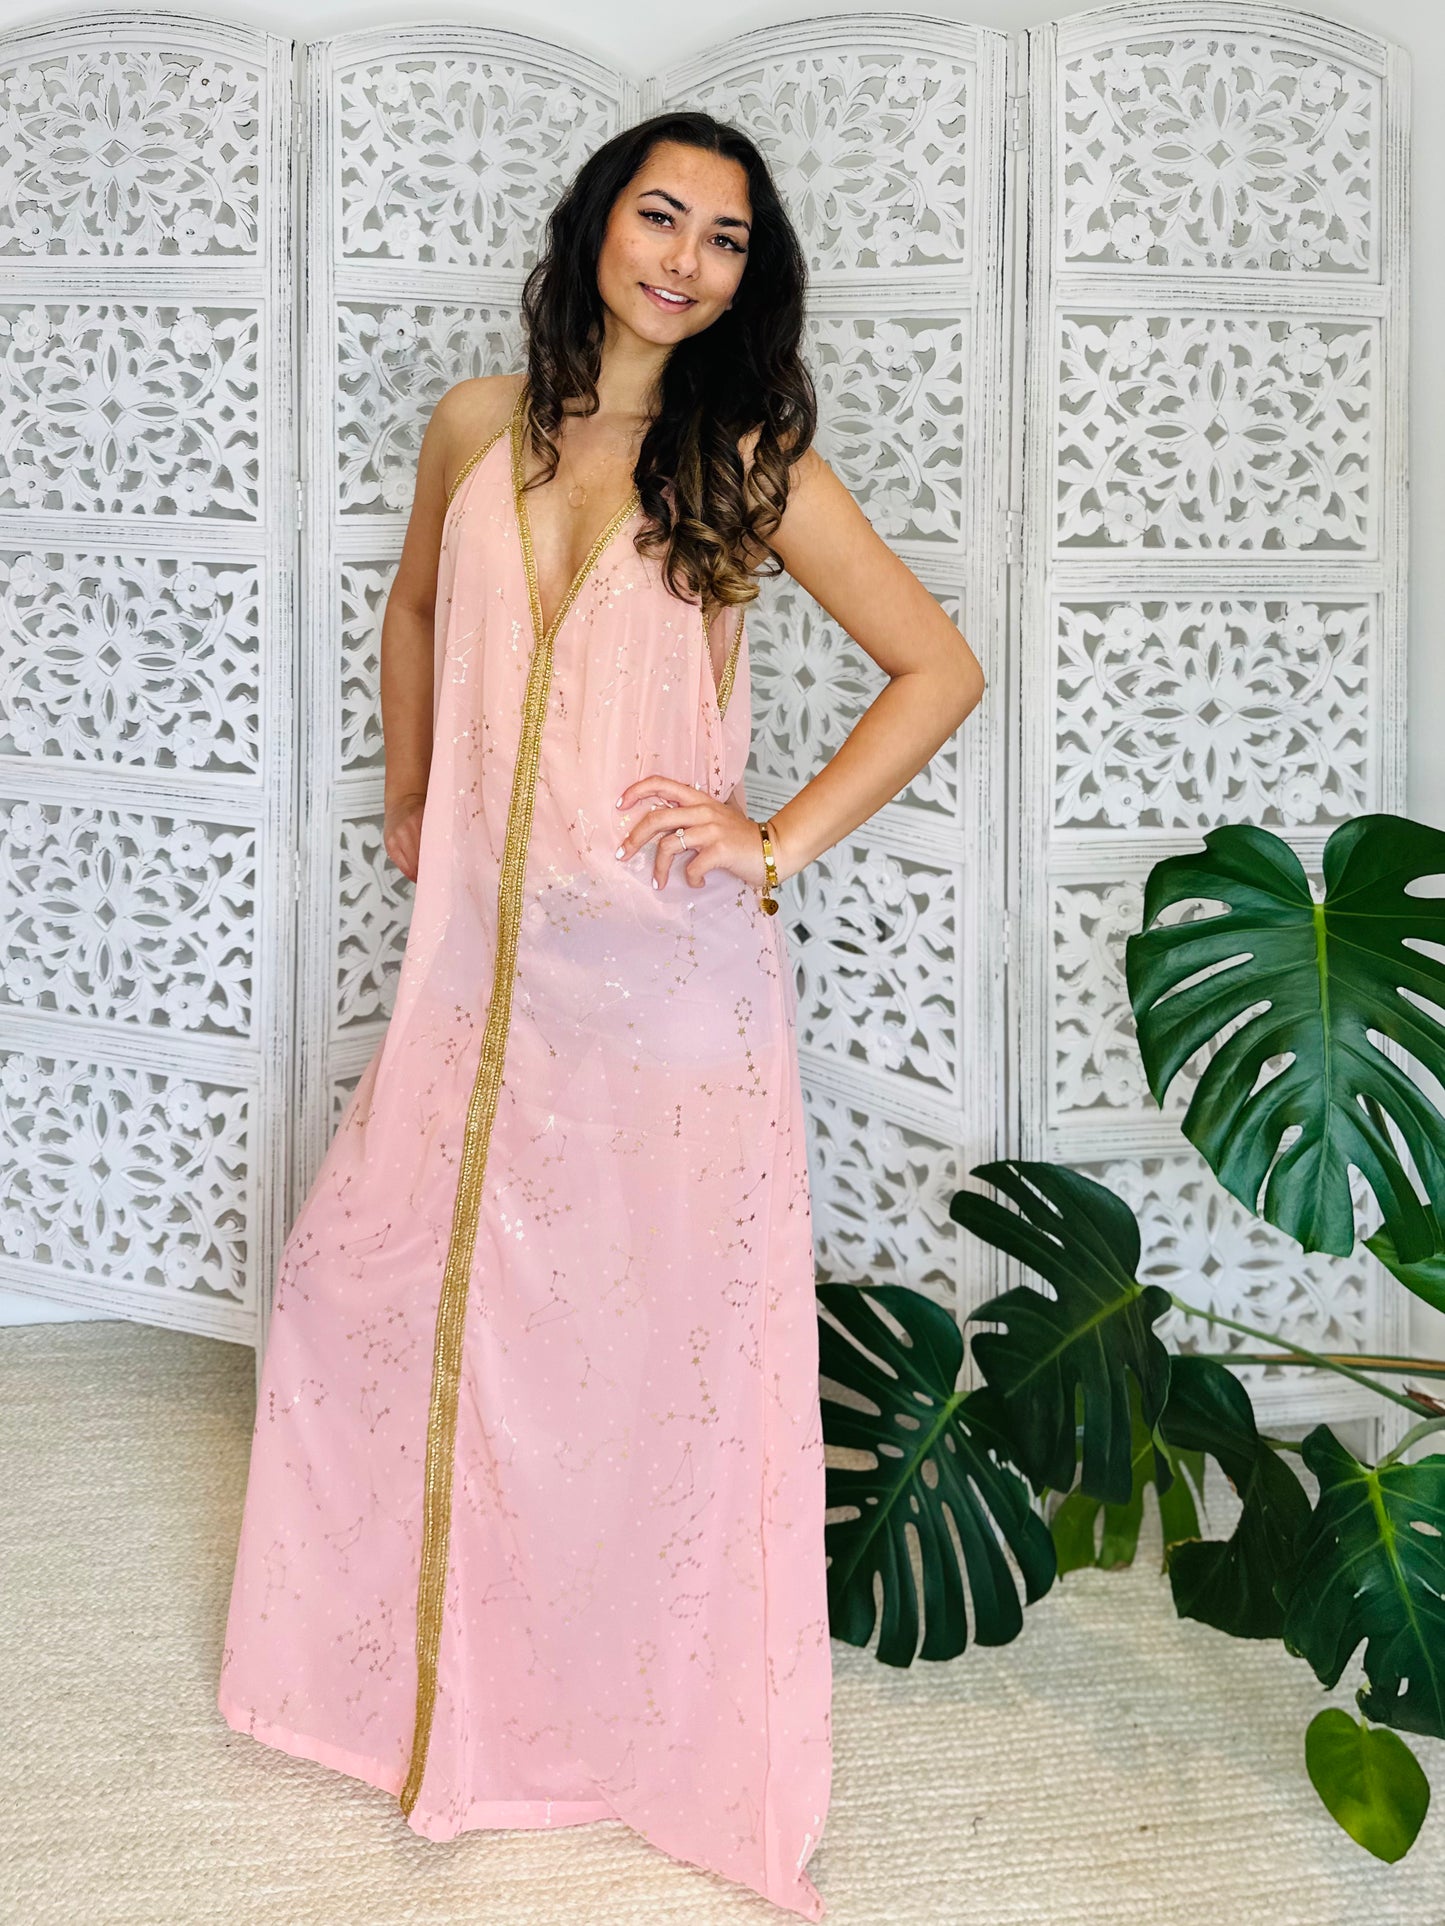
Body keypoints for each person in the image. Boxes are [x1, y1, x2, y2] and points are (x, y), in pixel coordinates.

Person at [217, 110, 984, 1921]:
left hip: (663, 994)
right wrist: (417, 792)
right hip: (476, 977)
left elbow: (934, 667)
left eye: (726, 238)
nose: (685, 260)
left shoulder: (750, 460)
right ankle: (404, 1687)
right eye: (660, 215)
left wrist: (770, 838)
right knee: (355, 1288)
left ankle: (598, 1716)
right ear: (593, 225)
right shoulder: (477, 423)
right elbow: (418, 607)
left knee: (628, 1359)